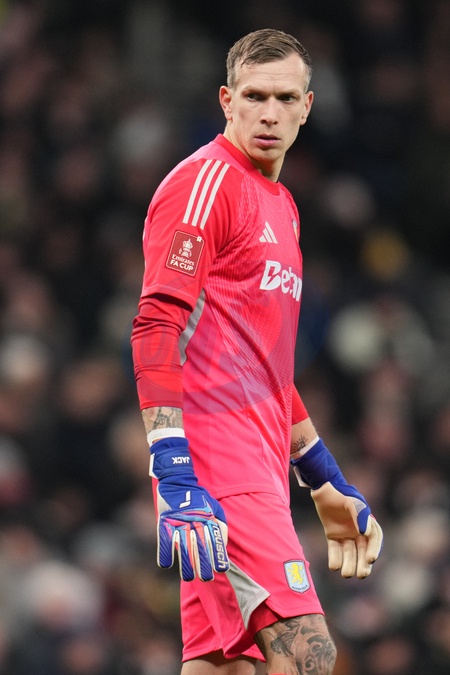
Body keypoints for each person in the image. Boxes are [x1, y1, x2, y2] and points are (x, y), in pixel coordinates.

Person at [131, 28, 383, 675]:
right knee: (309, 653)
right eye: (254, 96)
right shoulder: (205, 183)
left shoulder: (284, 206)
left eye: (285, 98)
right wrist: (173, 468)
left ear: (308, 107)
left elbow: (263, 363)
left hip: (260, 466)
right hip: (217, 466)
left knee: (225, 666)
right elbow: (156, 327)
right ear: (226, 100)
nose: (269, 113)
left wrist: (320, 471)